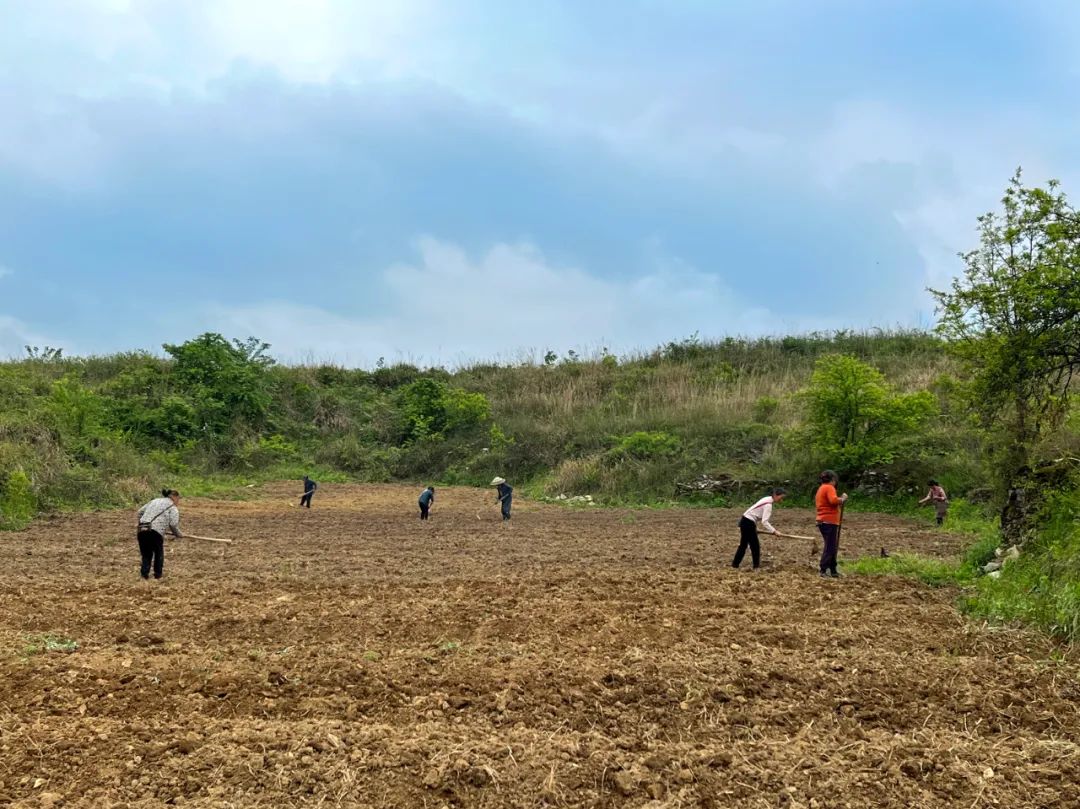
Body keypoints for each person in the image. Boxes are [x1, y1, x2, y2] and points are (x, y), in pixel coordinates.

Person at [733, 488, 786, 570]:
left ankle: (735, 564)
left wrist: (754, 527)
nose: (781, 500)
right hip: (748, 522)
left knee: (743, 545)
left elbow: (754, 512)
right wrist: (774, 531)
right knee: (755, 546)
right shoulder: (768, 505)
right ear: (775, 495)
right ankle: (756, 567)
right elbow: (764, 522)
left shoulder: (766, 498)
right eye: (781, 497)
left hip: (745, 520)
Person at [136, 489, 183, 580]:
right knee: (158, 553)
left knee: (146, 554)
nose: (178, 501)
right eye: (178, 499)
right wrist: (178, 534)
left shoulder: (155, 501)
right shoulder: (172, 507)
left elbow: (140, 512)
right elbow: (173, 524)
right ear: (174, 497)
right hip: (155, 532)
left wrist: (141, 522)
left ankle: (144, 575)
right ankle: (158, 575)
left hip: (142, 529)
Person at [815, 470, 848, 579]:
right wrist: (842, 499)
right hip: (829, 521)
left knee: (831, 546)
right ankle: (823, 569)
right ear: (833, 480)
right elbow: (833, 500)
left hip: (823, 520)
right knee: (830, 547)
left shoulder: (821, 488)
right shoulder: (829, 488)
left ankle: (833, 570)